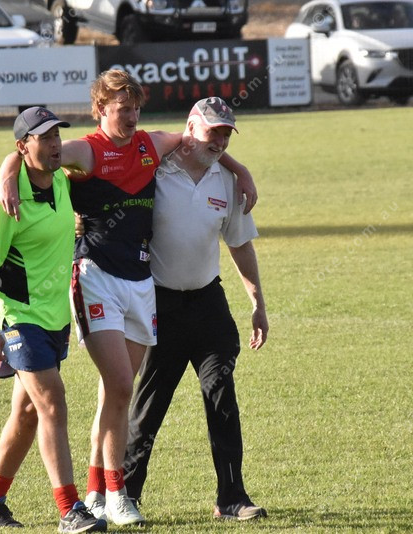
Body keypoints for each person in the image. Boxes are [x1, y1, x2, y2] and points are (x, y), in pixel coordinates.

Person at [0, 69, 258, 527]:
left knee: (114, 394)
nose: (132, 116)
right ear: (101, 109)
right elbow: (36, 153)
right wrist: (6, 174)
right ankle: (118, 492)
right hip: (97, 275)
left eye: (136, 108)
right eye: (123, 108)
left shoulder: (151, 145)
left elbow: (204, 143)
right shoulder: (86, 150)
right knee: (121, 386)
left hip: (141, 283)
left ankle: (99, 492)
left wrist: (240, 169)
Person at [123, 97, 268, 521]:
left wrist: (257, 302)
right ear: (190, 127)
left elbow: (239, 244)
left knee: (222, 395)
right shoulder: (154, 167)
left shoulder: (228, 180)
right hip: (159, 304)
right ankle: (126, 494)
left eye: (226, 135)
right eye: (212, 132)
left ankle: (232, 498)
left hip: (208, 303)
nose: (220, 142)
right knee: (148, 407)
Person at [0, 107, 106, 533]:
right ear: (23, 146)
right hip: (18, 318)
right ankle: (69, 510)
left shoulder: (62, 180)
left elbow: (93, 155)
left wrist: (12, 165)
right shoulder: (4, 201)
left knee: (28, 413)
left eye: (56, 136)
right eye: (43, 138)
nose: (54, 144)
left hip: (54, 317)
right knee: (52, 404)